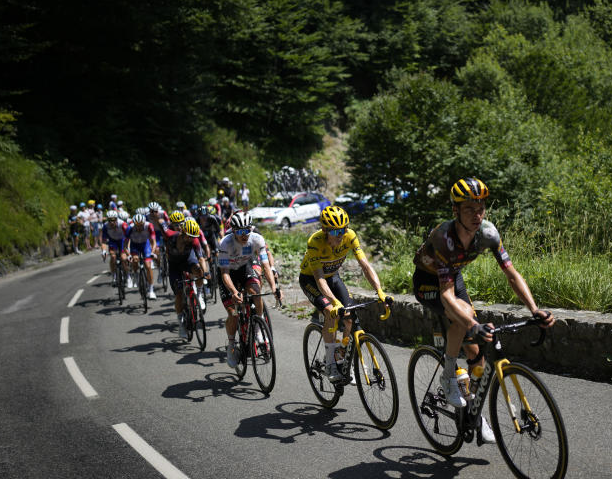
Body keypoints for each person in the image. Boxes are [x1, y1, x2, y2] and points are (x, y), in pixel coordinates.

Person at [412, 177, 554, 443]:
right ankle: (447, 376)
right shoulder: (443, 237)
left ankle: (474, 415)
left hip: (452, 276)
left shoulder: (488, 233)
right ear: (455, 211)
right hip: (428, 283)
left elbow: (511, 273)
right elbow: (445, 295)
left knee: (478, 359)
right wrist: (472, 324)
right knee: (464, 318)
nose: (477, 215)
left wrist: (535, 309)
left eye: (480, 208)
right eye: (469, 209)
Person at [298, 205, 391, 383]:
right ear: (325, 230)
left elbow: (365, 265)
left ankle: (342, 352)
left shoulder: (350, 236)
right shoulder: (315, 242)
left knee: (349, 317)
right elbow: (319, 280)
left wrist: (379, 291)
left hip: (332, 276)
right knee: (330, 312)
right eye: (335, 231)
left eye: (343, 229)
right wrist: (334, 302)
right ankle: (331, 362)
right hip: (311, 280)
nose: (340, 235)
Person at [217, 211, 282, 368]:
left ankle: (258, 328)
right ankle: (232, 346)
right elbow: (224, 273)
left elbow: (265, 265)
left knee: (256, 292)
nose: (244, 235)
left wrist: (274, 287)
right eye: (240, 231)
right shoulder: (225, 243)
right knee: (233, 314)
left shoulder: (257, 239)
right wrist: (233, 291)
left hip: (244, 267)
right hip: (228, 274)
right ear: (233, 231)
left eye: (247, 230)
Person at [162, 218, 208, 339]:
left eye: (193, 237)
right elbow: (161, 225)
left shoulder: (194, 241)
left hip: (187, 260)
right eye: (189, 236)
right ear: (183, 232)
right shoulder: (170, 235)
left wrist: (205, 272)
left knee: (199, 271)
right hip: (174, 265)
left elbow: (201, 259)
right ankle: (181, 323)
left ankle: (199, 295)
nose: (191, 239)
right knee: (179, 294)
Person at [123, 213, 158, 299]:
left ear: (144, 223)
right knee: (135, 260)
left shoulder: (149, 226)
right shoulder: (129, 228)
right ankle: (135, 275)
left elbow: (153, 242)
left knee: (148, 266)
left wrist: (153, 253)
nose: (138, 228)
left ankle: (151, 290)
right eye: (137, 226)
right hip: (134, 246)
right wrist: (128, 255)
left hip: (145, 245)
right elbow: (125, 245)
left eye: (140, 225)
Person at [100, 210, 128, 285]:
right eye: (110, 220)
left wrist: (128, 249)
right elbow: (103, 241)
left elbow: (129, 237)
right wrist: (103, 251)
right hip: (113, 241)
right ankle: (114, 275)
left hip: (122, 240)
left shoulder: (122, 224)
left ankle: (127, 274)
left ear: (117, 219)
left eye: (113, 220)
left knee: (123, 258)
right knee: (113, 257)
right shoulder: (105, 226)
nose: (112, 222)